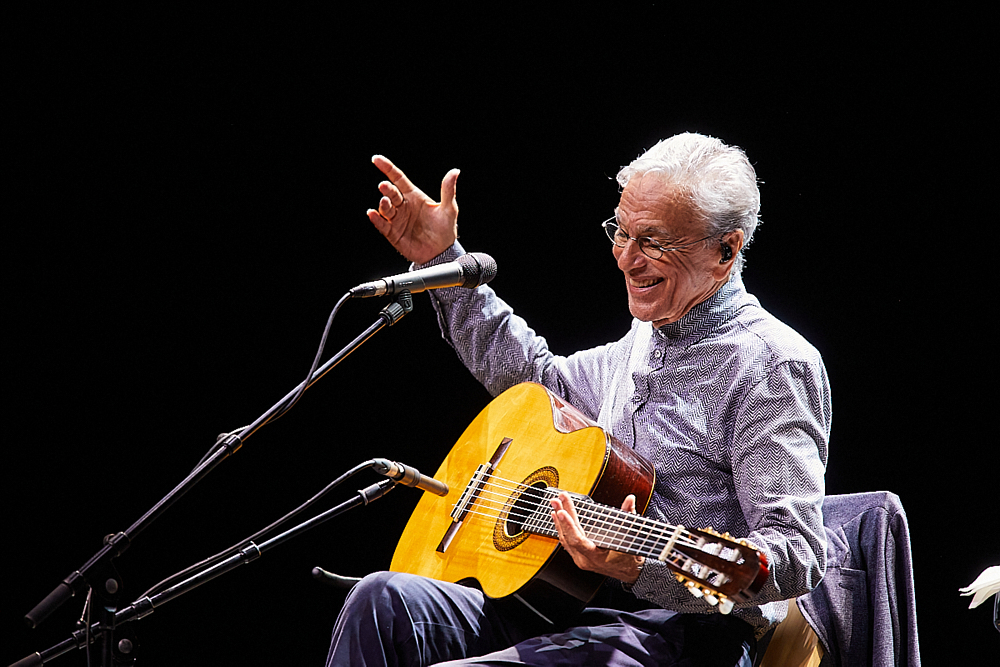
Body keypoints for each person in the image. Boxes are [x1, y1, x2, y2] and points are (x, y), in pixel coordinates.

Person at [325, 133, 832, 666]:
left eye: (654, 242)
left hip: (686, 636)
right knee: (379, 601)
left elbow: (793, 555)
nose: (627, 260)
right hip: (570, 609)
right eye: (622, 233)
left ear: (725, 251)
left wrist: (639, 567)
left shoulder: (771, 365)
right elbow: (533, 377)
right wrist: (440, 261)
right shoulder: (640, 342)